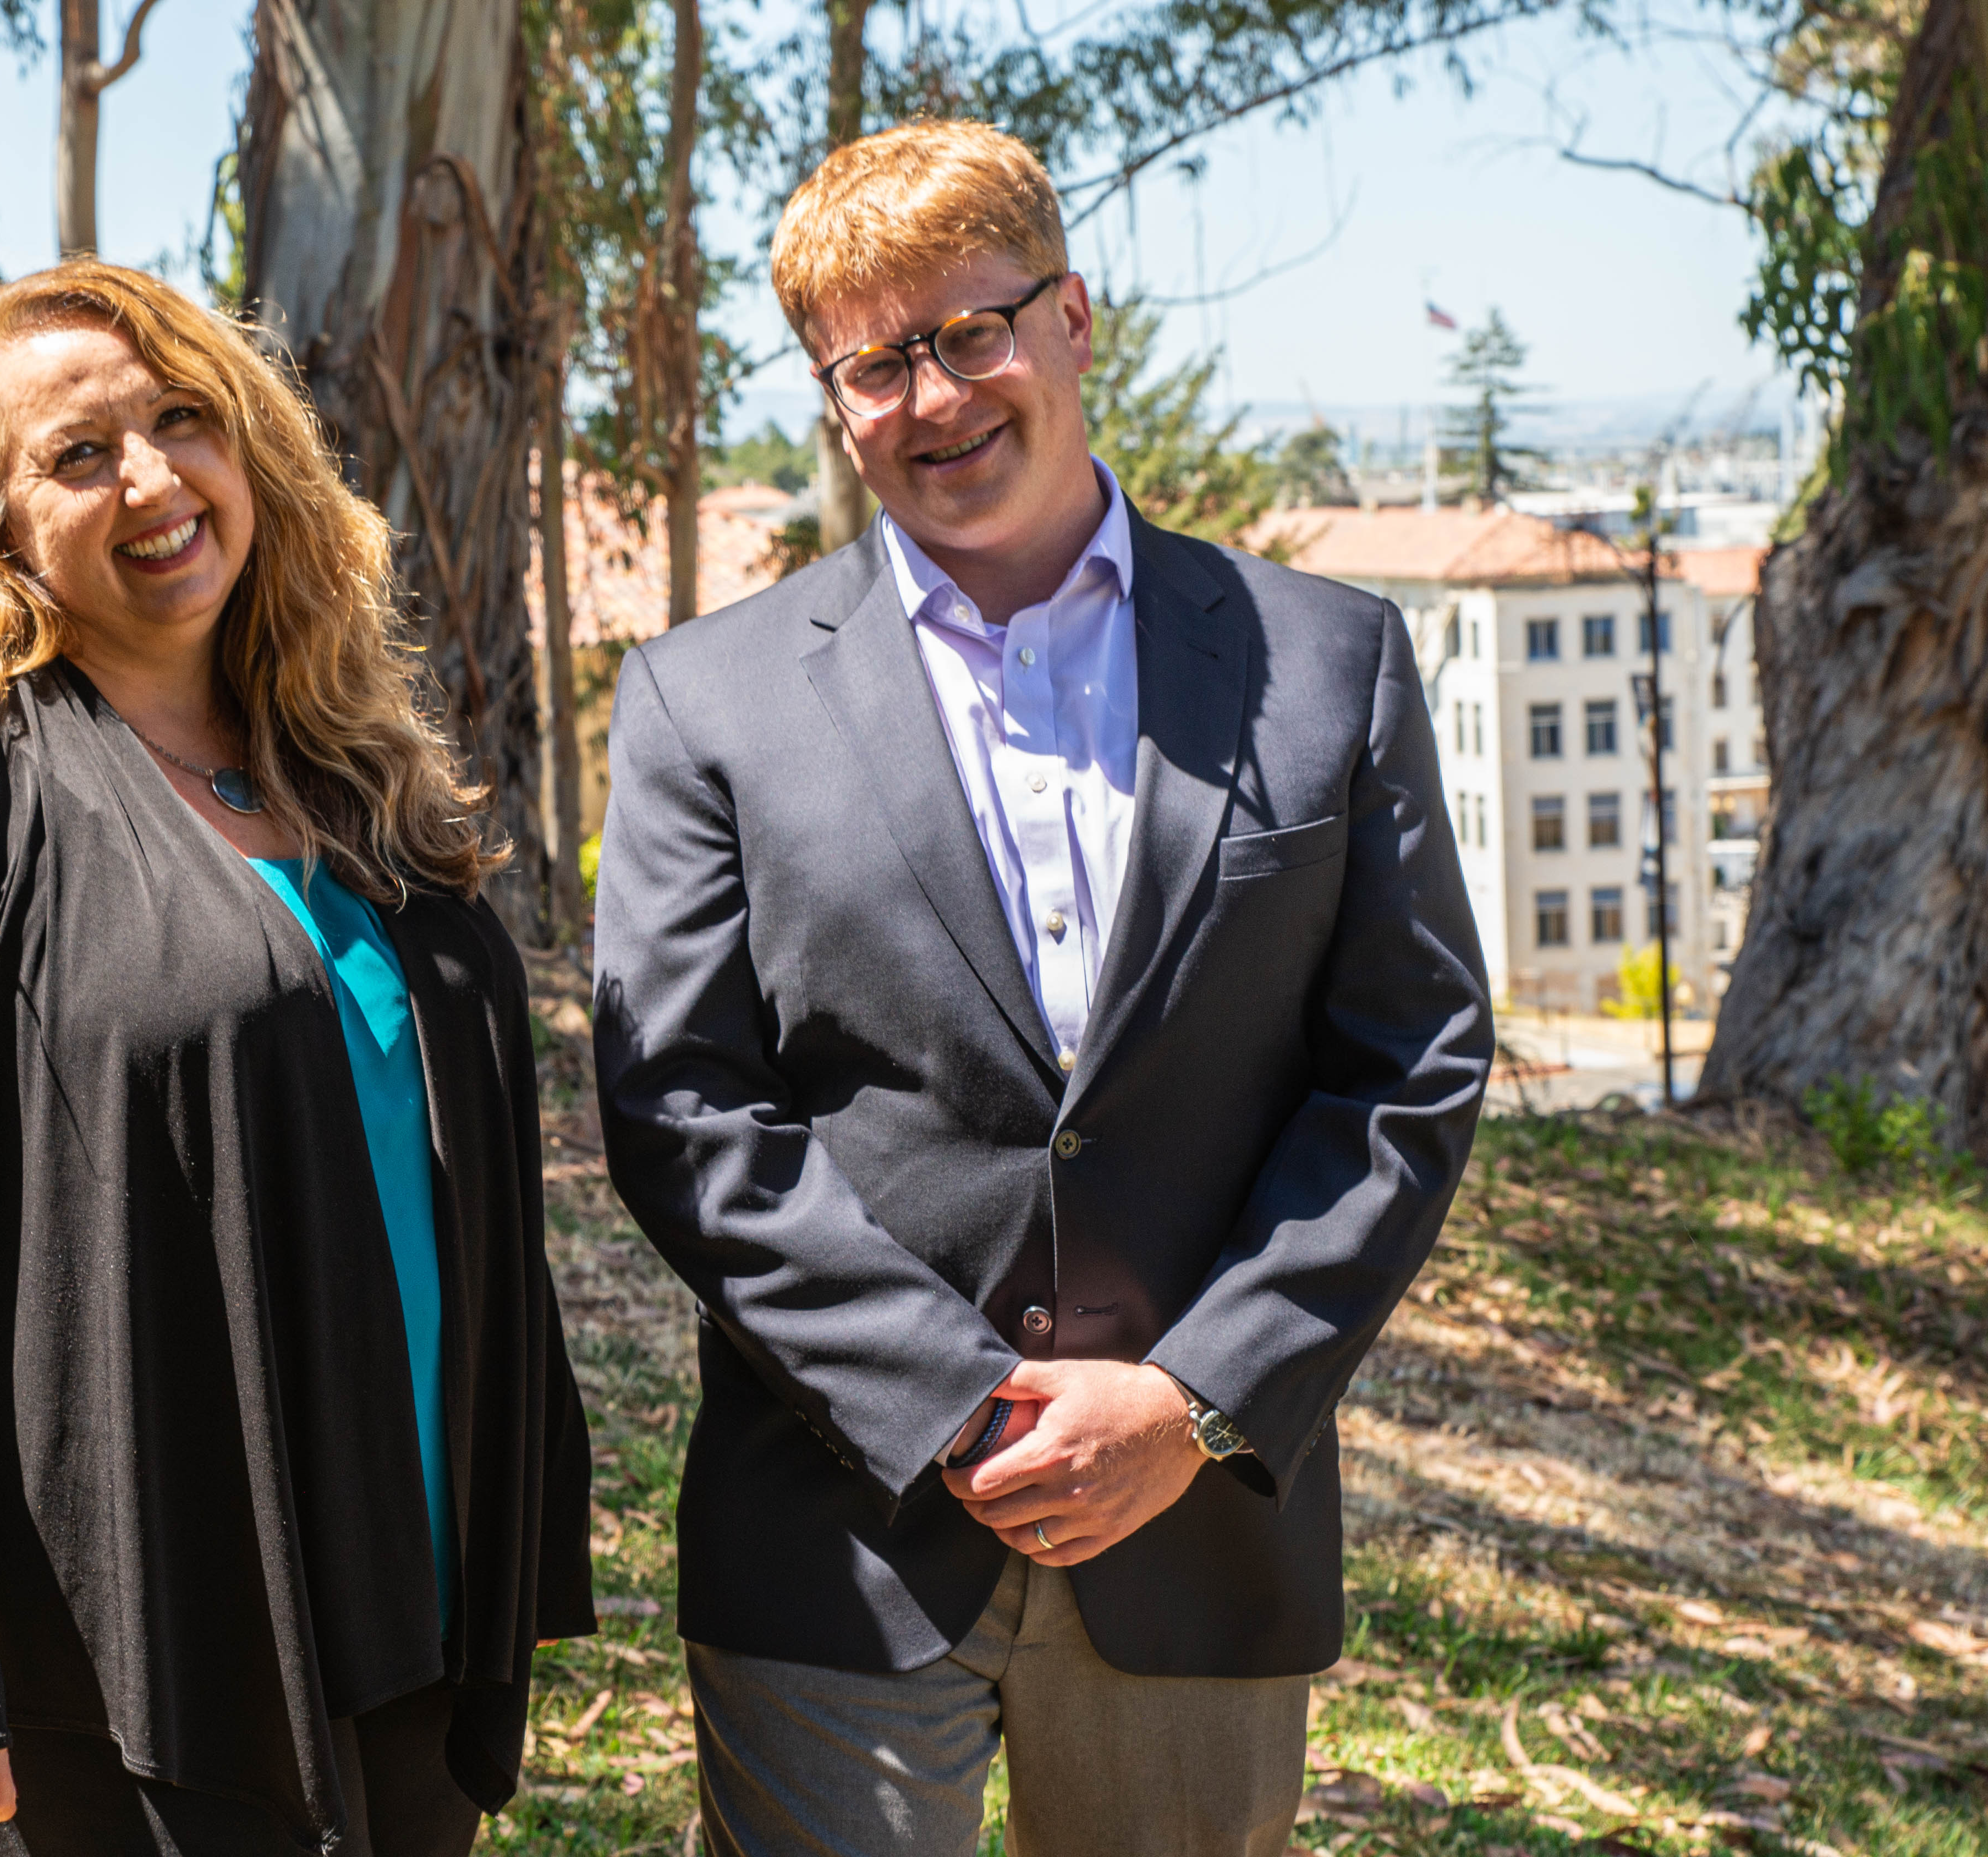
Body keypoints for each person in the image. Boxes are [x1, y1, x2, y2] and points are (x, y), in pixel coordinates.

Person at [591, 120, 1491, 1857]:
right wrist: (950, 1404)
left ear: (1074, 320)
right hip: (842, 1529)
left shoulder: (1325, 662)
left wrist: (1191, 1398)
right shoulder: (707, 702)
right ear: (832, 396)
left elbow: (1406, 1068)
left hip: (1200, 1522)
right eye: (874, 363)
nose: (932, 401)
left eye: (970, 333)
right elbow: (684, 1104)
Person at [0, 261, 595, 1857]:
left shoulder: (345, 767)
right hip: (127, 1629)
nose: (152, 479)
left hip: (409, 1578)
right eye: (79, 455)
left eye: (182, 420)